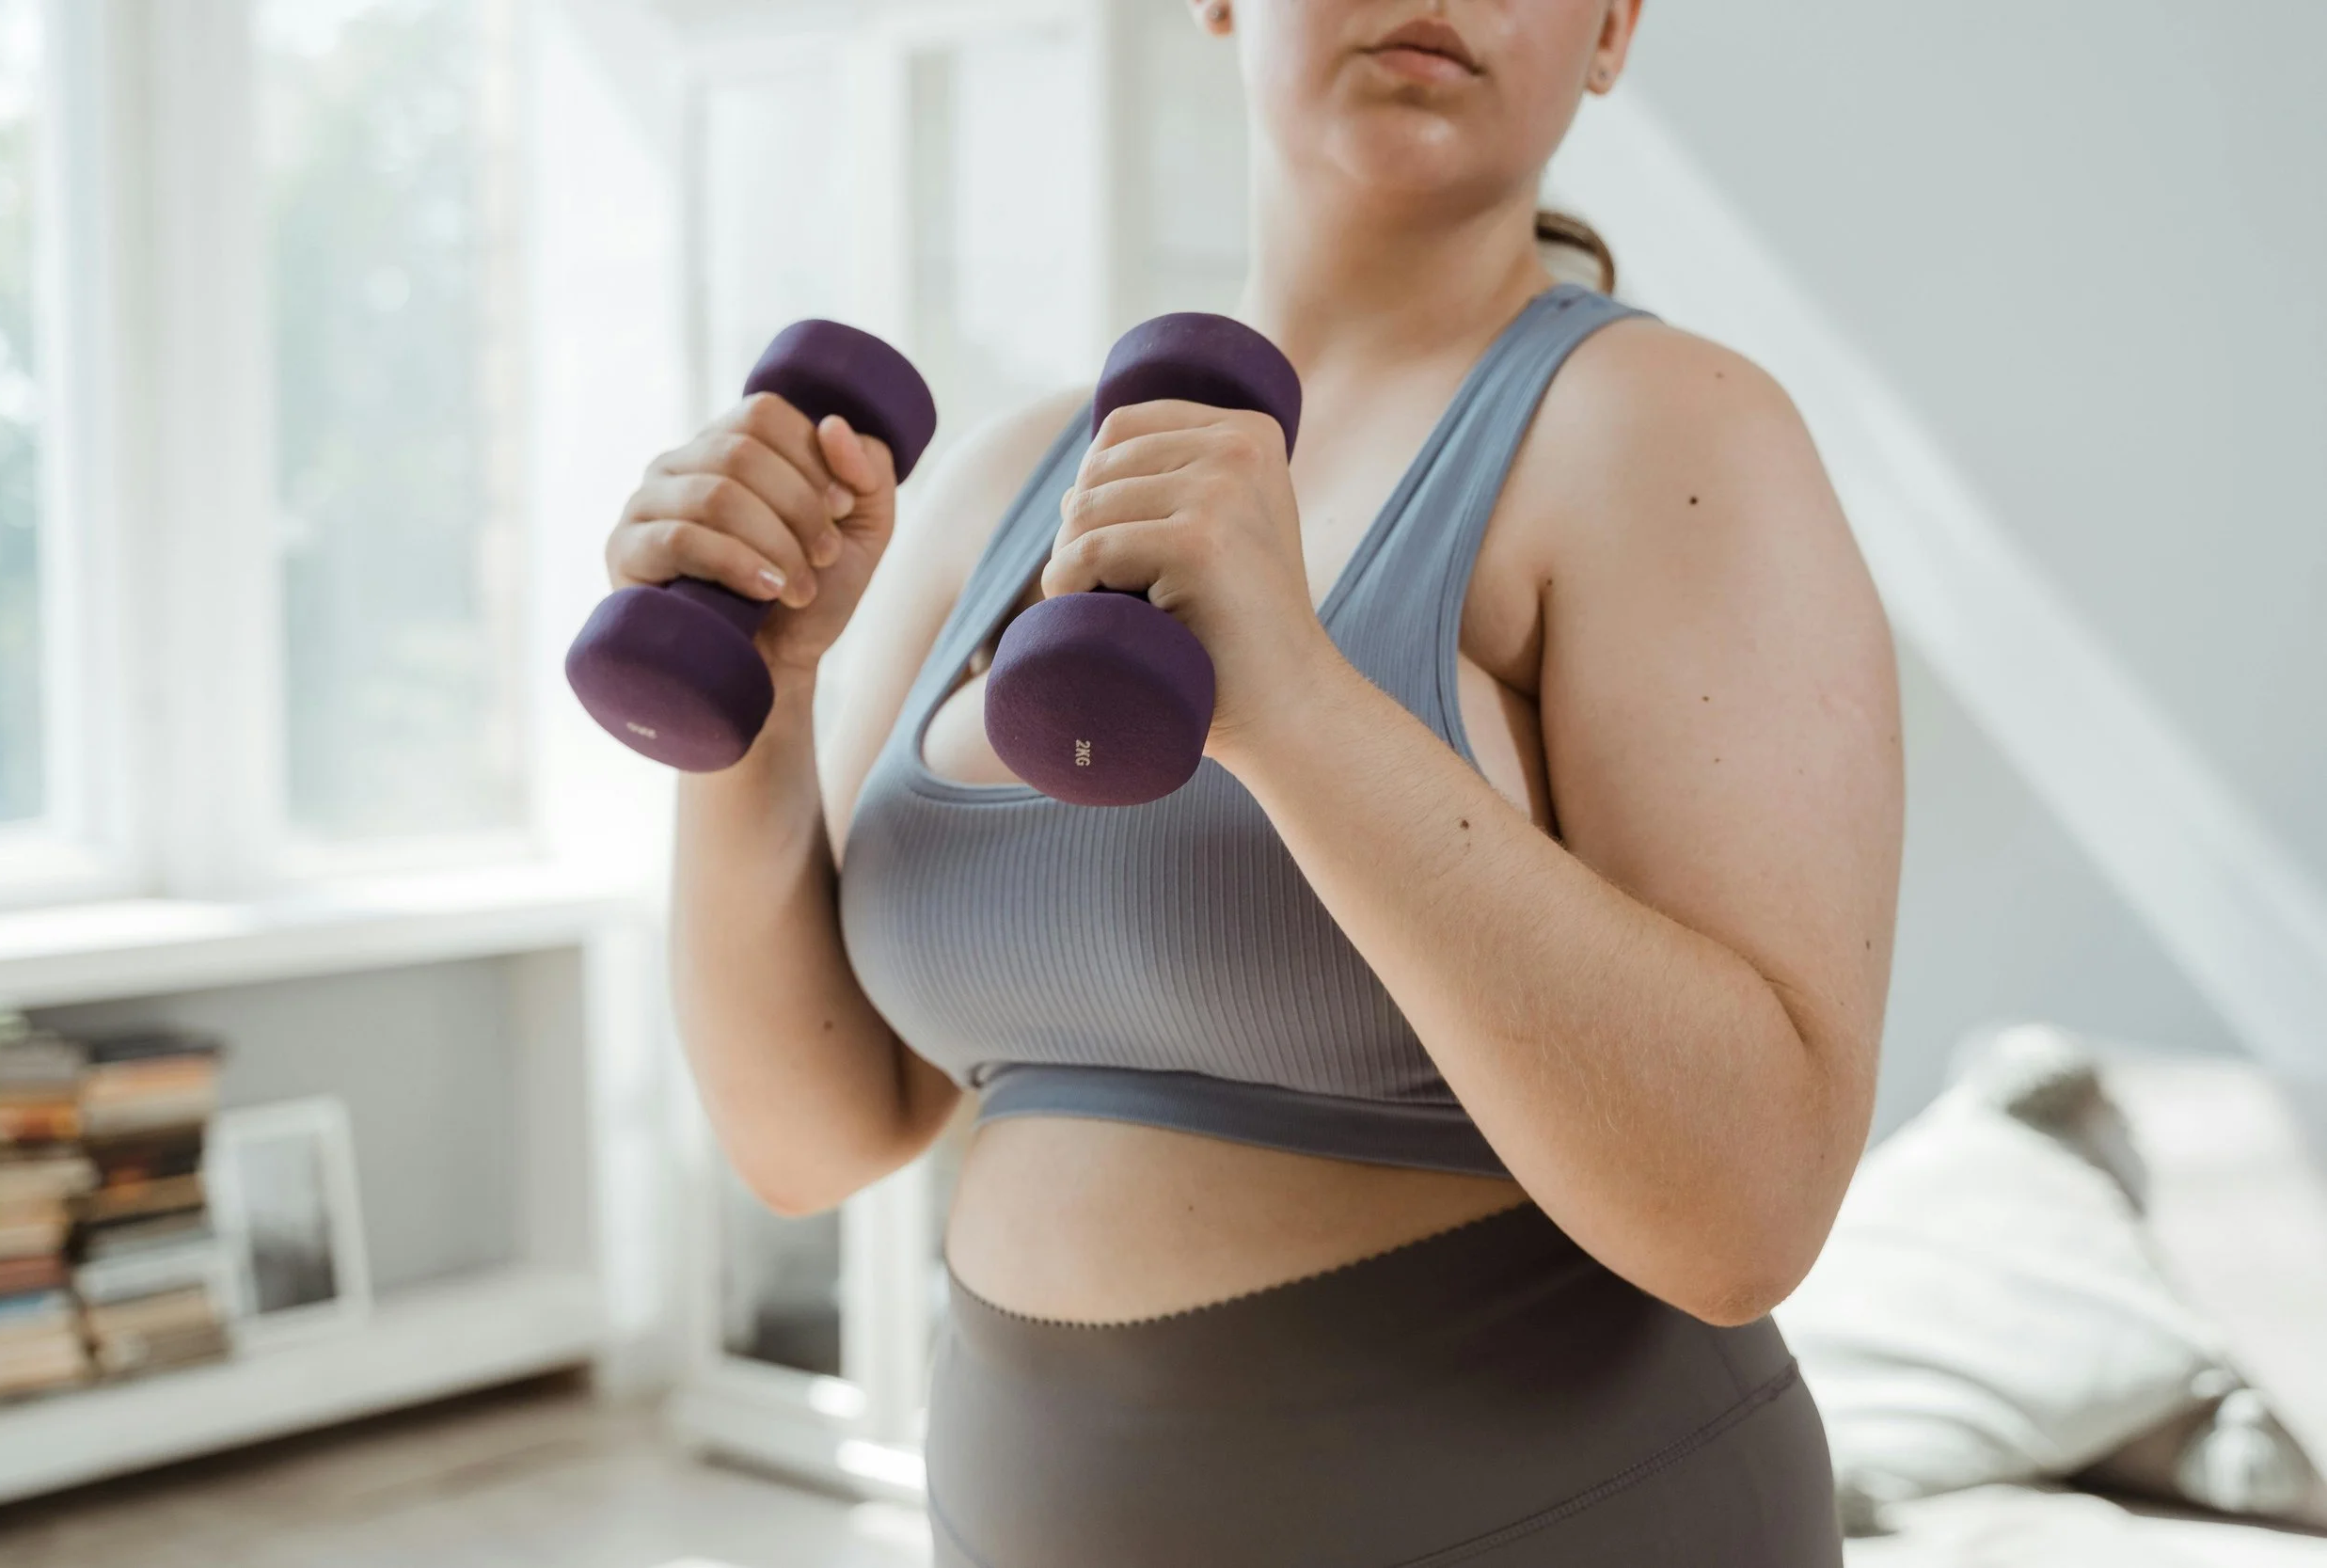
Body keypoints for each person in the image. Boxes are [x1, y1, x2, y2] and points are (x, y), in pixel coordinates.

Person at [608, 1, 1902, 1561]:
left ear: (1613, 29)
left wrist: (1290, 704)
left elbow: (1748, 1214)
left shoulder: (1668, 432)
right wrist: (763, 698)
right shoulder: (1019, 480)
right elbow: (807, 1138)